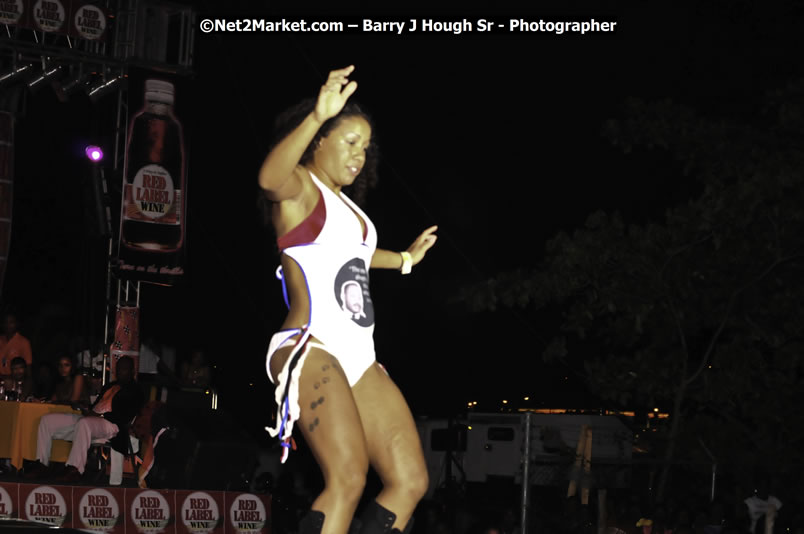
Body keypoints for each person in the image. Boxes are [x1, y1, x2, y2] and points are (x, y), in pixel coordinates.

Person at [258, 65, 437, 534]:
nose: (359, 154)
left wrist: (404, 259)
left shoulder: (350, 209)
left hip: (359, 356)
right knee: (349, 477)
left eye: (366, 147)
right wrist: (318, 115)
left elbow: (355, 254)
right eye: (350, 141)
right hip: (309, 344)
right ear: (319, 142)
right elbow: (269, 180)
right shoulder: (300, 188)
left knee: (410, 480)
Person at [24, 356, 144, 483]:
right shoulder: (109, 386)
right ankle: (42, 464)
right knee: (47, 421)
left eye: (124, 369)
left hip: (112, 424)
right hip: (92, 420)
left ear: (132, 371)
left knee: (84, 423)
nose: (120, 372)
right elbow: (97, 406)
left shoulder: (136, 390)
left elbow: (125, 415)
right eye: (118, 368)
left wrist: (100, 416)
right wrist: (86, 408)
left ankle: (75, 469)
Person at [0, 311, 32, 377]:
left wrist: (28, 379)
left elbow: (28, 365)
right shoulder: (1, 340)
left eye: (11, 322)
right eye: (6, 322)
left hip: (15, 379)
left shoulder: (23, 342)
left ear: (17, 324)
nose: (8, 325)